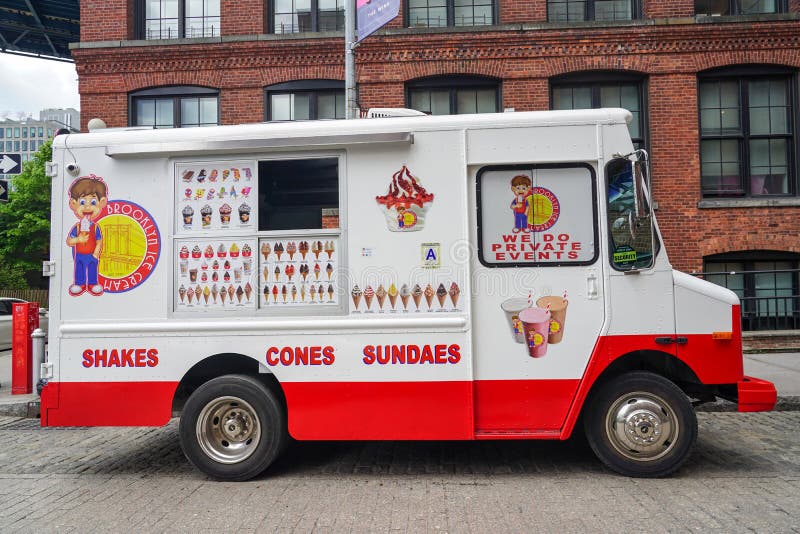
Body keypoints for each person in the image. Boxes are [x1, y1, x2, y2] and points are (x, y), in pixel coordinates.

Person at [66, 175, 107, 296]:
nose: (88, 206)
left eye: (93, 202)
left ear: (102, 202)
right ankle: (79, 283)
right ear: (74, 204)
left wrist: (96, 253)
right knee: (79, 269)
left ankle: (93, 284)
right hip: (79, 254)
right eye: (82, 202)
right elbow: (69, 241)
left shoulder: (95, 227)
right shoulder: (77, 227)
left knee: (93, 268)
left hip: (91, 254)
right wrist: (79, 239)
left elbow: (99, 241)